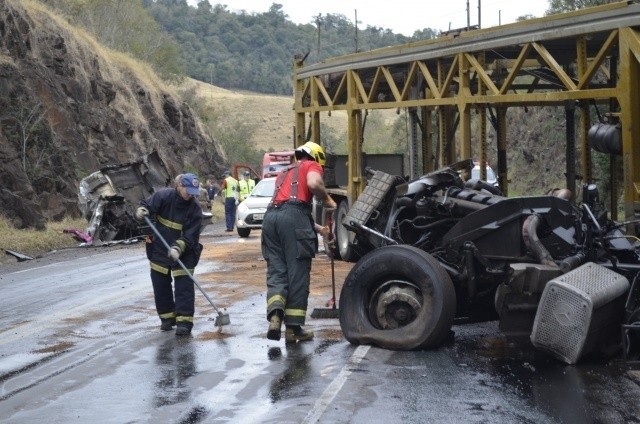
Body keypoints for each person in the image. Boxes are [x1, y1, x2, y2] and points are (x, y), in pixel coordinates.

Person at [261, 141, 337, 343]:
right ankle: (293, 328)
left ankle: (276, 315)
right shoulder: (311, 165)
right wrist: (327, 199)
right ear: (316, 157)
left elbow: (288, 208)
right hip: (292, 220)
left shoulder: (284, 172)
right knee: (297, 273)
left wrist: (320, 229)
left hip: (270, 219)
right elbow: (313, 185)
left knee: (277, 271)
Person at [135, 173, 203, 336]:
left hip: (184, 250)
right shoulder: (163, 196)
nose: (191, 195)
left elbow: (191, 235)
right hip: (160, 246)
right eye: (189, 191)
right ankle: (167, 318)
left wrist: (178, 248)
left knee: (184, 286)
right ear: (179, 186)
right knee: (160, 284)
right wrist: (141, 211)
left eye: (194, 192)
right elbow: (146, 205)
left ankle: (184, 322)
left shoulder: (195, 208)